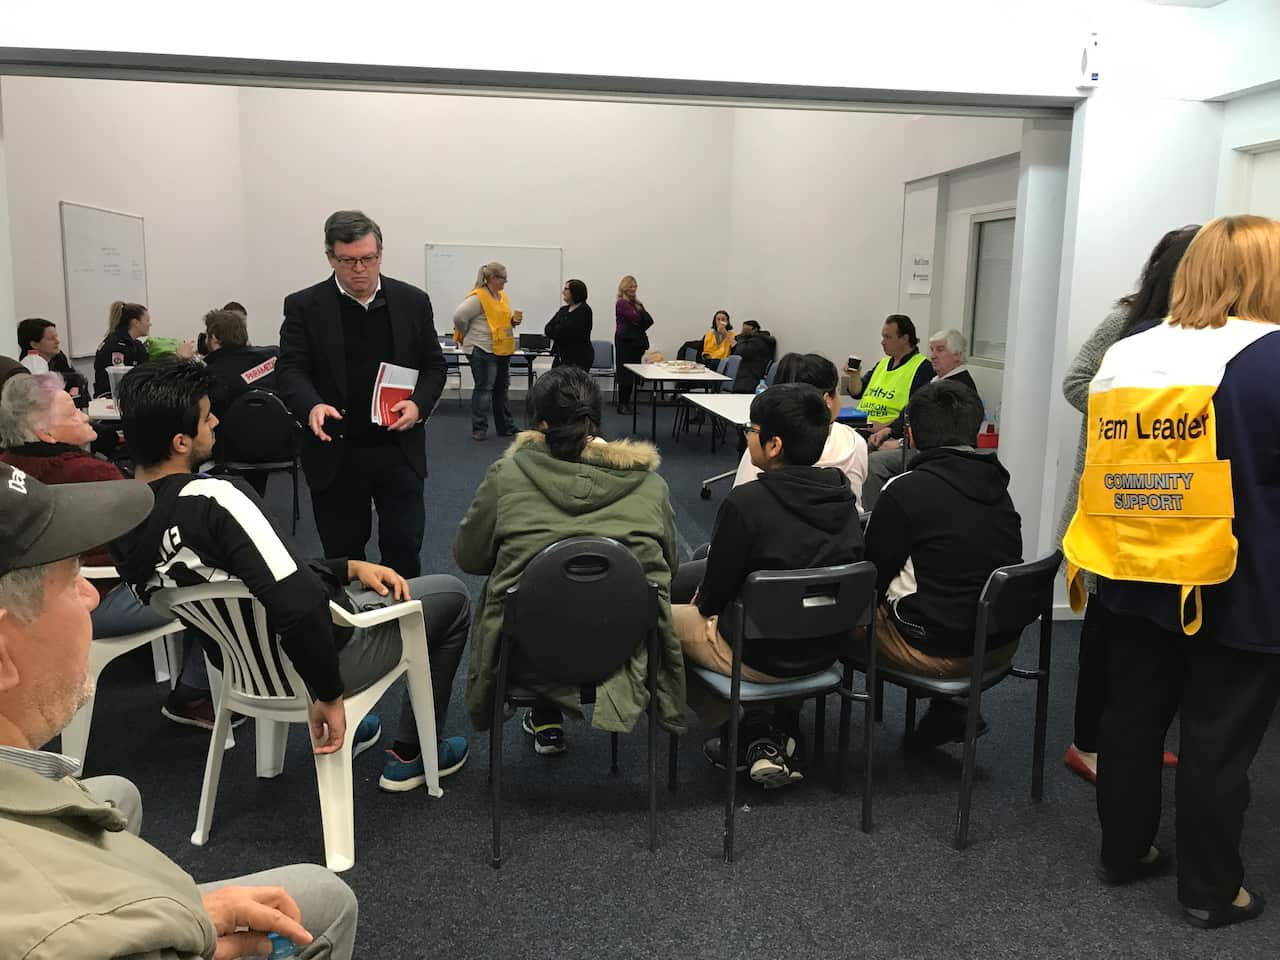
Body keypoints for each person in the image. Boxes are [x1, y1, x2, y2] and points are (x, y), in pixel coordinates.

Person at [0, 462, 359, 959]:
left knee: (115, 795)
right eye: (70, 580)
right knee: (326, 898)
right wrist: (188, 932)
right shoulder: (53, 935)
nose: (90, 596)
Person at [113, 359, 471, 792]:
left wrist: (345, 567)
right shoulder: (214, 498)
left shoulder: (122, 519)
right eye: (208, 417)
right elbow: (299, 605)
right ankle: (412, 755)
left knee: (337, 584)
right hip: (316, 659)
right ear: (180, 441)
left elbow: (244, 578)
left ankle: (360, 723)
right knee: (451, 597)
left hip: (240, 667)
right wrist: (329, 695)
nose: (217, 422)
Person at [1063, 215, 1280, 929]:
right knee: (1217, 740)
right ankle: (1210, 891)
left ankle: (1123, 853)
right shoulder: (1271, 357)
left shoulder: (1127, 353)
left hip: (1130, 571)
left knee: (1131, 719)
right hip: (1236, 583)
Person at [455, 366, 685, 753]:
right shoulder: (651, 484)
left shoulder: (506, 475)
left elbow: (470, 557)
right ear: (595, 417)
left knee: (534, 595)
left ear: (540, 422)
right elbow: (671, 567)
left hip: (525, 656)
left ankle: (545, 710)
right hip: (626, 651)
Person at [1057, 226, 1198, 785]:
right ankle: (1087, 743)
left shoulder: (1203, 334)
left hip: (1163, 504)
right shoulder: (1125, 322)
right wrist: (1133, 409)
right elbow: (1075, 382)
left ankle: (1136, 740)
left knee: (1152, 644)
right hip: (1106, 493)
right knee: (1103, 629)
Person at [672, 383, 864, 787]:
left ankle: (741, 729)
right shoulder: (841, 496)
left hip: (759, 657)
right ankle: (768, 727)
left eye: (751, 428)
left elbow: (712, 598)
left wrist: (701, 602)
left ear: (774, 445)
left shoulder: (747, 503)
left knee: (655, 618)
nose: (746, 434)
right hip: (824, 648)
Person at [0, 371, 218, 727]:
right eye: (73, 413)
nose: (85, 415)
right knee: (210, 579)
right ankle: (195, 694)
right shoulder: (92, 476)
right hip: (96, 597)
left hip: (32, 602)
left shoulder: (9, 472)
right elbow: (148, 541)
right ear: (47, 433)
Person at [277, 210, 446, 579]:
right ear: (330, 258)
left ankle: (405, 629)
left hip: (398, 449)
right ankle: (351, 632)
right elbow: (289, 370)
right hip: (336, 453)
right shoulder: (305, 306)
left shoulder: (412, 302)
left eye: (368, 259)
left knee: (404, 551)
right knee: (343, 557)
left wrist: (418, 405)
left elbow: (435, 367)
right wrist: (311, 405)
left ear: (380, 254)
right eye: (348, 260)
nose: (359, 269)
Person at [856, 378, 1022, 746]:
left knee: (831, 613)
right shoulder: (999, 486)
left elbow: (871, 578)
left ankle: (778, 726)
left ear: (911, 435)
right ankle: (950, 707)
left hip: (934, 647)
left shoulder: (904, 489)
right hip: (999, 642)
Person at [861, 329, 981, 511]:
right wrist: (889, 430)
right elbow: (911, 412)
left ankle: (873, 516)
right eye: (932, 350)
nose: (933, 356)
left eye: (940, 350)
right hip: (916, 443)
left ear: (957, 355)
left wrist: (901, 443)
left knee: (874, 462)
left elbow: (936, 434)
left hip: (934, 453)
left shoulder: (955, 389)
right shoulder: (937, 381)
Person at [732, 352, 869, 509]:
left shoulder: (768, 444)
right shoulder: (854, 441)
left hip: (774, 530)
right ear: (826, 400)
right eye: (837, 391)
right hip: (845, 529)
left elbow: (743, 504)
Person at [453, 262, 522, 441]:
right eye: (503, 278)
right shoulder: (478, 297)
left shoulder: (501, 296)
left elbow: (499, 319)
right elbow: (459, 316)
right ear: (492, 278)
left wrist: (512, 322)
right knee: (484, 389)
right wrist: (468, 333)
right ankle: (479, 428)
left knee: (501, 389)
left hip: (501, 349)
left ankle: (505, 426)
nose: (505, 282)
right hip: (482, 349)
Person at [847, 314, 934, 428]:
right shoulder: (883, 363)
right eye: (883, 337)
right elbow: (857, 393)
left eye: (888, 337)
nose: (882, 342)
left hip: (886, 432)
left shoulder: (923, 367)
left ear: (904, 339)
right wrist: (854, 375)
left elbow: (917, 412)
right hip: (861, 424)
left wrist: (885, 428)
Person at [93, 300, 195, 398]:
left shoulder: (136, 345)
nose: (150, 324)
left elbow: (149, 369)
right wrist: (177, 358)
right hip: (109, 400)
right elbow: (125, 380)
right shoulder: (116, 346)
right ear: (135, 323)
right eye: (147, 320)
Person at [15, 317, 90, 401]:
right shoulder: (28, 368)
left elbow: (75, 378)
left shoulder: (58, 357)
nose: (57, 341)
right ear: (34, 344)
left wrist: (75, 387)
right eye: (51, 338)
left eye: (56, 336)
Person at [614, 274, 653, 415]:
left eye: (635, 286)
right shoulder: (622, 303)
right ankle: (622, 404)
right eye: (630, 285)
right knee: (625, 374)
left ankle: (627, 402)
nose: (633, 288)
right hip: (625, 341)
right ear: (624, 287)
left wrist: (640, 310)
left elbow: (649, 321)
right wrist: (640, 311)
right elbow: (636, 318)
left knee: (632, 374)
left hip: (636, 342)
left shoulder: (636, 303)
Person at [544, 278, 594, 371]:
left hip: (579, 358)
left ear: (575, 292)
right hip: (561, 357)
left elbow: (568, 332)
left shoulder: (584, 310)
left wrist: (557, 329)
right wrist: (558, 330)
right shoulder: (563, 310)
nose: (563, 292)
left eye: (566, 289)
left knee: (573, 384)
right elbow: (547, 329)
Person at [728, 319, 776, 393]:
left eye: (745, 330)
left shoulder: (759, 341)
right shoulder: (752, 340)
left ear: (755, 329)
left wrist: (742, 336)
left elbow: (741, 352)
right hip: (748, 375)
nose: (743, 331)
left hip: (751, 378)